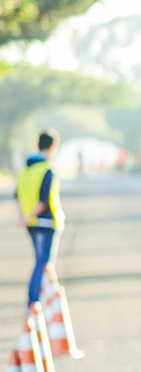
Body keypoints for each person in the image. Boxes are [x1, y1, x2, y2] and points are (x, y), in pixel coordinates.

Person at [15, 130, 65, 309]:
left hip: (31, 224)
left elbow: (18, 195)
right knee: (44, 263)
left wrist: (25, 218)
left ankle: (40, 298)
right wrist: (30, 216)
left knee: (40, 261)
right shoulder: (48, 169)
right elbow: (44, 200)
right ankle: (34, 301)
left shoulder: (25, 171)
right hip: (46, 222)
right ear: (53, 147)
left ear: (37, 145)